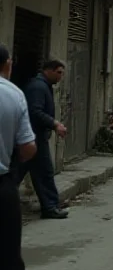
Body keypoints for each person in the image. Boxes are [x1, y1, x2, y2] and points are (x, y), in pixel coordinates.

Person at [0, 44, 37, 270]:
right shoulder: (13, 94)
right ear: (8, 64)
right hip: (1, 184)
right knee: (7, 249)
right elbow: (27, 148)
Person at [19, 57, 69, 219]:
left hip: (32, 137)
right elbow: (35, 112)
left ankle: (51, 204)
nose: (60, 77)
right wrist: (55, 124)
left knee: (20, 173)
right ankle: (50, 207)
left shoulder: (42, 86)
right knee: (44, 172)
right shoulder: (38, 87)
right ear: (49, 70)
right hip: (34, 137)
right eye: (59, 73)